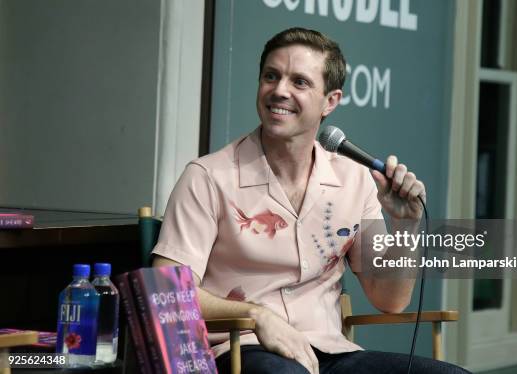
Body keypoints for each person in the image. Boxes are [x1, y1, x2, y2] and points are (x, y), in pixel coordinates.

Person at [152, 27, 469, 374]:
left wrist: (405, 225)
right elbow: (168, 291)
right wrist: (257, 316)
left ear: (330, 101)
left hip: (331, 353)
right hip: (244, 352)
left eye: (299, 82)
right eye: (271, 76)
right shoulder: (207, 177)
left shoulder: (354, 178)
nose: (279, 91)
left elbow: (389, 299)